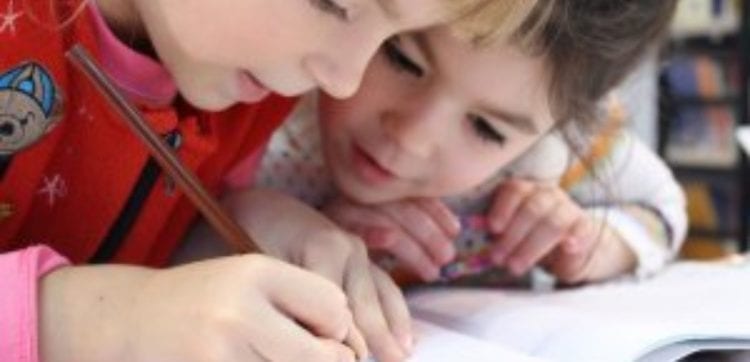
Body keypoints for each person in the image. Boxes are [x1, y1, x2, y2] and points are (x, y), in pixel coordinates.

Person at [0, 0, 538, 361]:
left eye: (393, 37)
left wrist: (228, 229)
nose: (344, 80)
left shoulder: (246, 90)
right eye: (335, 2)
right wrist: (88, 324)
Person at [253, 0, 686, 287]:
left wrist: (598, 244)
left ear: (558, 128)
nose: (411, 137)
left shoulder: (549, 157)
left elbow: (663, 206)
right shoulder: (264, 103)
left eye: (486, 129)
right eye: (401, 59)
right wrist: (282, 232)